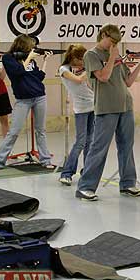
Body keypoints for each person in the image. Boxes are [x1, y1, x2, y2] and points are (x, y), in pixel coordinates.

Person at [75, 24, 140, 201]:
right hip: (106, 107)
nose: (113, 45)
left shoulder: (115, 55)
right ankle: (85, 186)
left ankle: (128, 183)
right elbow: (103, 77)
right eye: (112, 41)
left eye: (117, 42)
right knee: (99, 148)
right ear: (103, 35)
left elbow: (129, 81)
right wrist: (112, 58)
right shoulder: (91, 55)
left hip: (125, 105)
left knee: (126, 146)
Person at [0, 34, 54, 171]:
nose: (33, 49)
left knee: (40, 130)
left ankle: (45, 159)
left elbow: (40, 76)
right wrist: (29, 57)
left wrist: (45, 61)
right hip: (23, 99)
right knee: (14, 131)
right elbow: (18, 72)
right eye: (30, 46)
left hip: (39, 96)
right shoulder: (8, 58)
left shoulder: (29, 60)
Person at [58, 44, 94, 186]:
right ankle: (66, 173)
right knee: (80, 142)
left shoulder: (83, 69)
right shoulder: (63, 69)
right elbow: (78, 80)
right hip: (81, 109)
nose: (83, 63)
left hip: (93, 106)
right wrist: (90, 67)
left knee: (90, 143)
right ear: (73, 58)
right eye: (81, 59)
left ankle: (87, 171)